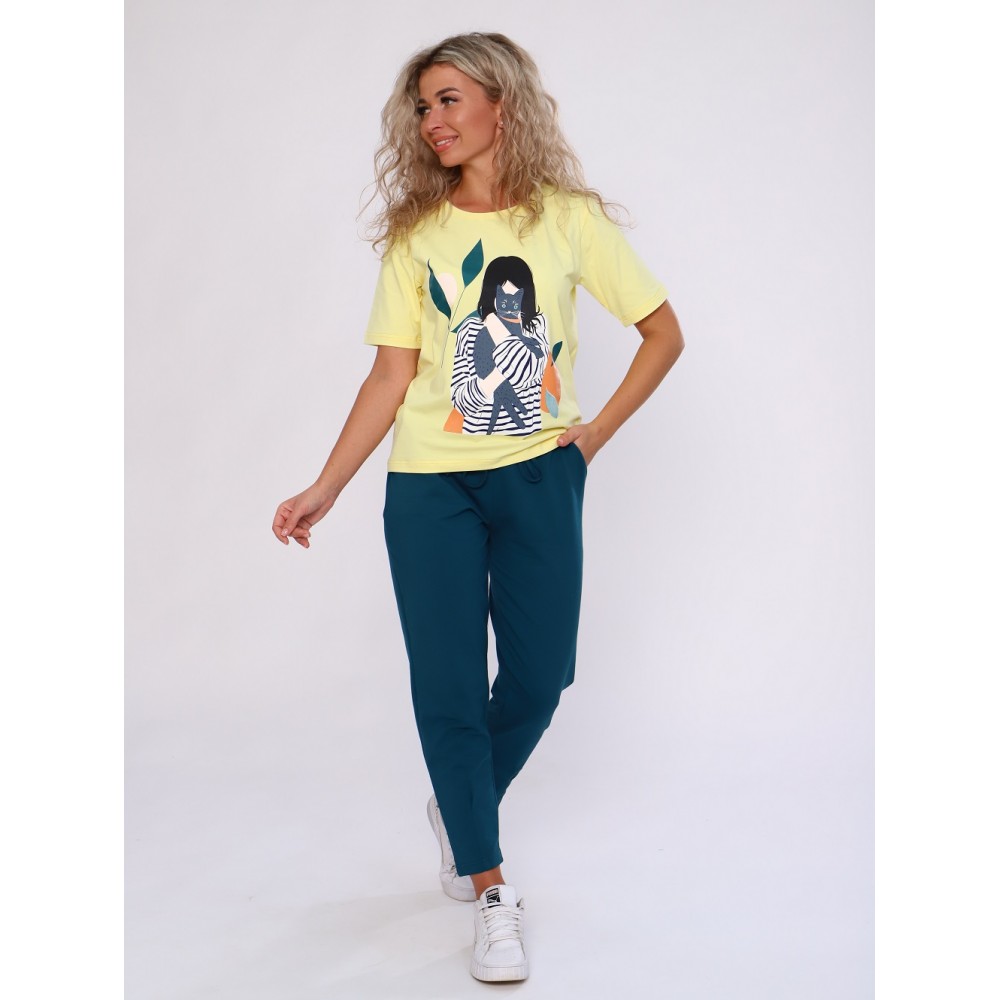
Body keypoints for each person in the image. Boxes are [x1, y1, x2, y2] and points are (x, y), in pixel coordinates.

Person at [271, 31, 685, 983]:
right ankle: (490, 884)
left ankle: (460, 806)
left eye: (450, 99)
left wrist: (591, 437)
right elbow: (391, 375)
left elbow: (662, 333)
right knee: (449, 686)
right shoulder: (418, 236)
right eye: (423, 106)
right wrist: (327, 484)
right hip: (429, 490)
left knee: (541, 678)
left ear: (504, 104)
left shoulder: (568, 221)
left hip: (540, 475)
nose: (433, 120)